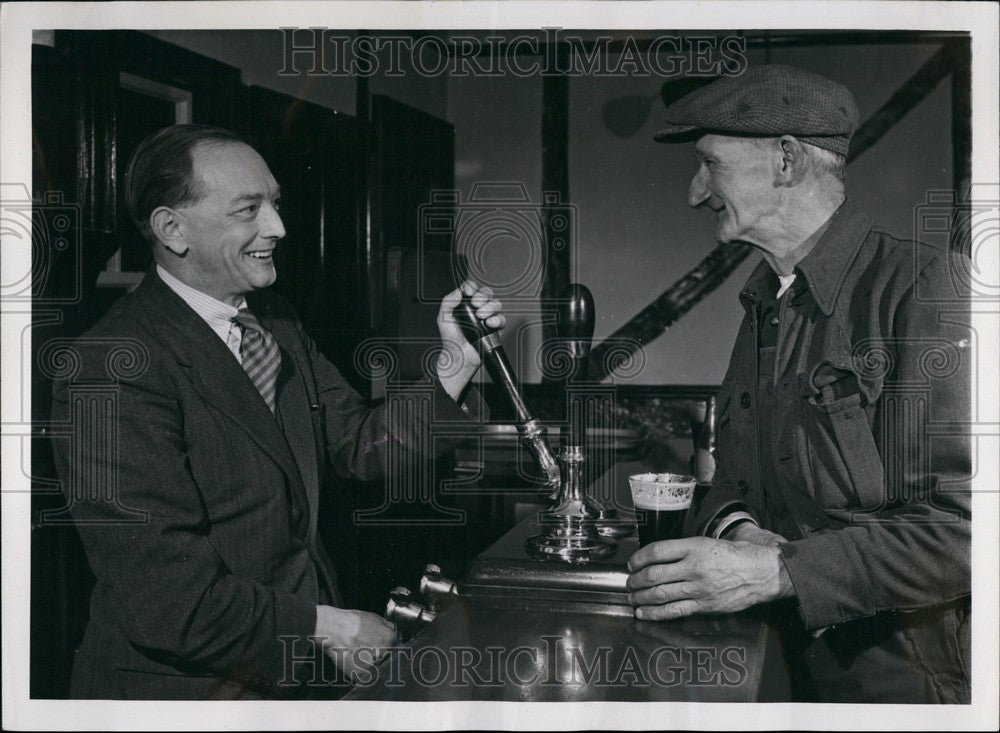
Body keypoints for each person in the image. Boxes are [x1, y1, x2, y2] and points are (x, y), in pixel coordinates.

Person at [50, 124, 504, 699]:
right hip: (188, 695)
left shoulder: (275, 322)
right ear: (172, 229)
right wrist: (331, 627)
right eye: (248, 210)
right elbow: (168, 599)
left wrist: (456, 362)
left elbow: (358, 443)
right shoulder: (110, 367)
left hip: (290, 678)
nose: (279, 228)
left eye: (277, 203)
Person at [626, 65, 971, 703]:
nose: (696, 192)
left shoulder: (923, 288)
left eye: (710, 163)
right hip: (776, 671)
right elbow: (726, 481)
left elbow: (965, 533)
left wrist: (778, 573)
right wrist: (738, 534)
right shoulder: (763, 302)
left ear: (785, 161)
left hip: (901, 690)